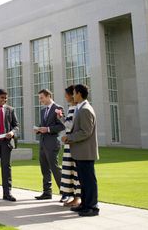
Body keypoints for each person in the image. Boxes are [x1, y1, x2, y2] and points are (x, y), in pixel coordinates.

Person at [62, 84, 99, 217]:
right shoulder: (81, 108)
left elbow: (85, 132)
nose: (72, 95)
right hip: (80, 152)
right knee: (83, 181)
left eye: (74, 93)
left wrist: (69, 138)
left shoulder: (85, 110)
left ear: (79, 94)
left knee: (88, 181)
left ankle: (92, 207)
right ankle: (84, 205)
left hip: (85, 152)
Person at [34, 89, 65, 200]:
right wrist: (38, 129)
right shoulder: (43, 111)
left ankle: (65, 193)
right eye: (39, 98)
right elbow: (43, 125)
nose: (40, 100)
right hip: (42, 143)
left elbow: (62, 126)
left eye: (41, 97)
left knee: (55, 168)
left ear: (48, 96)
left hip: (52, 144)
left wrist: (47, 129)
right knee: (44, 169)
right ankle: (47, 193)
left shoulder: (58, 109)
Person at [57, 85, 81, 207]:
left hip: (72, 144)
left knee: (74, 171)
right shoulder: (72, 107)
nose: (65, 96)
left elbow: (70, 126)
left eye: (66, 94)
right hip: (69, 144)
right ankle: (74, 197)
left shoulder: (75, 108)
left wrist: (61, 118)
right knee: (70, 170)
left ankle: (77, 199)